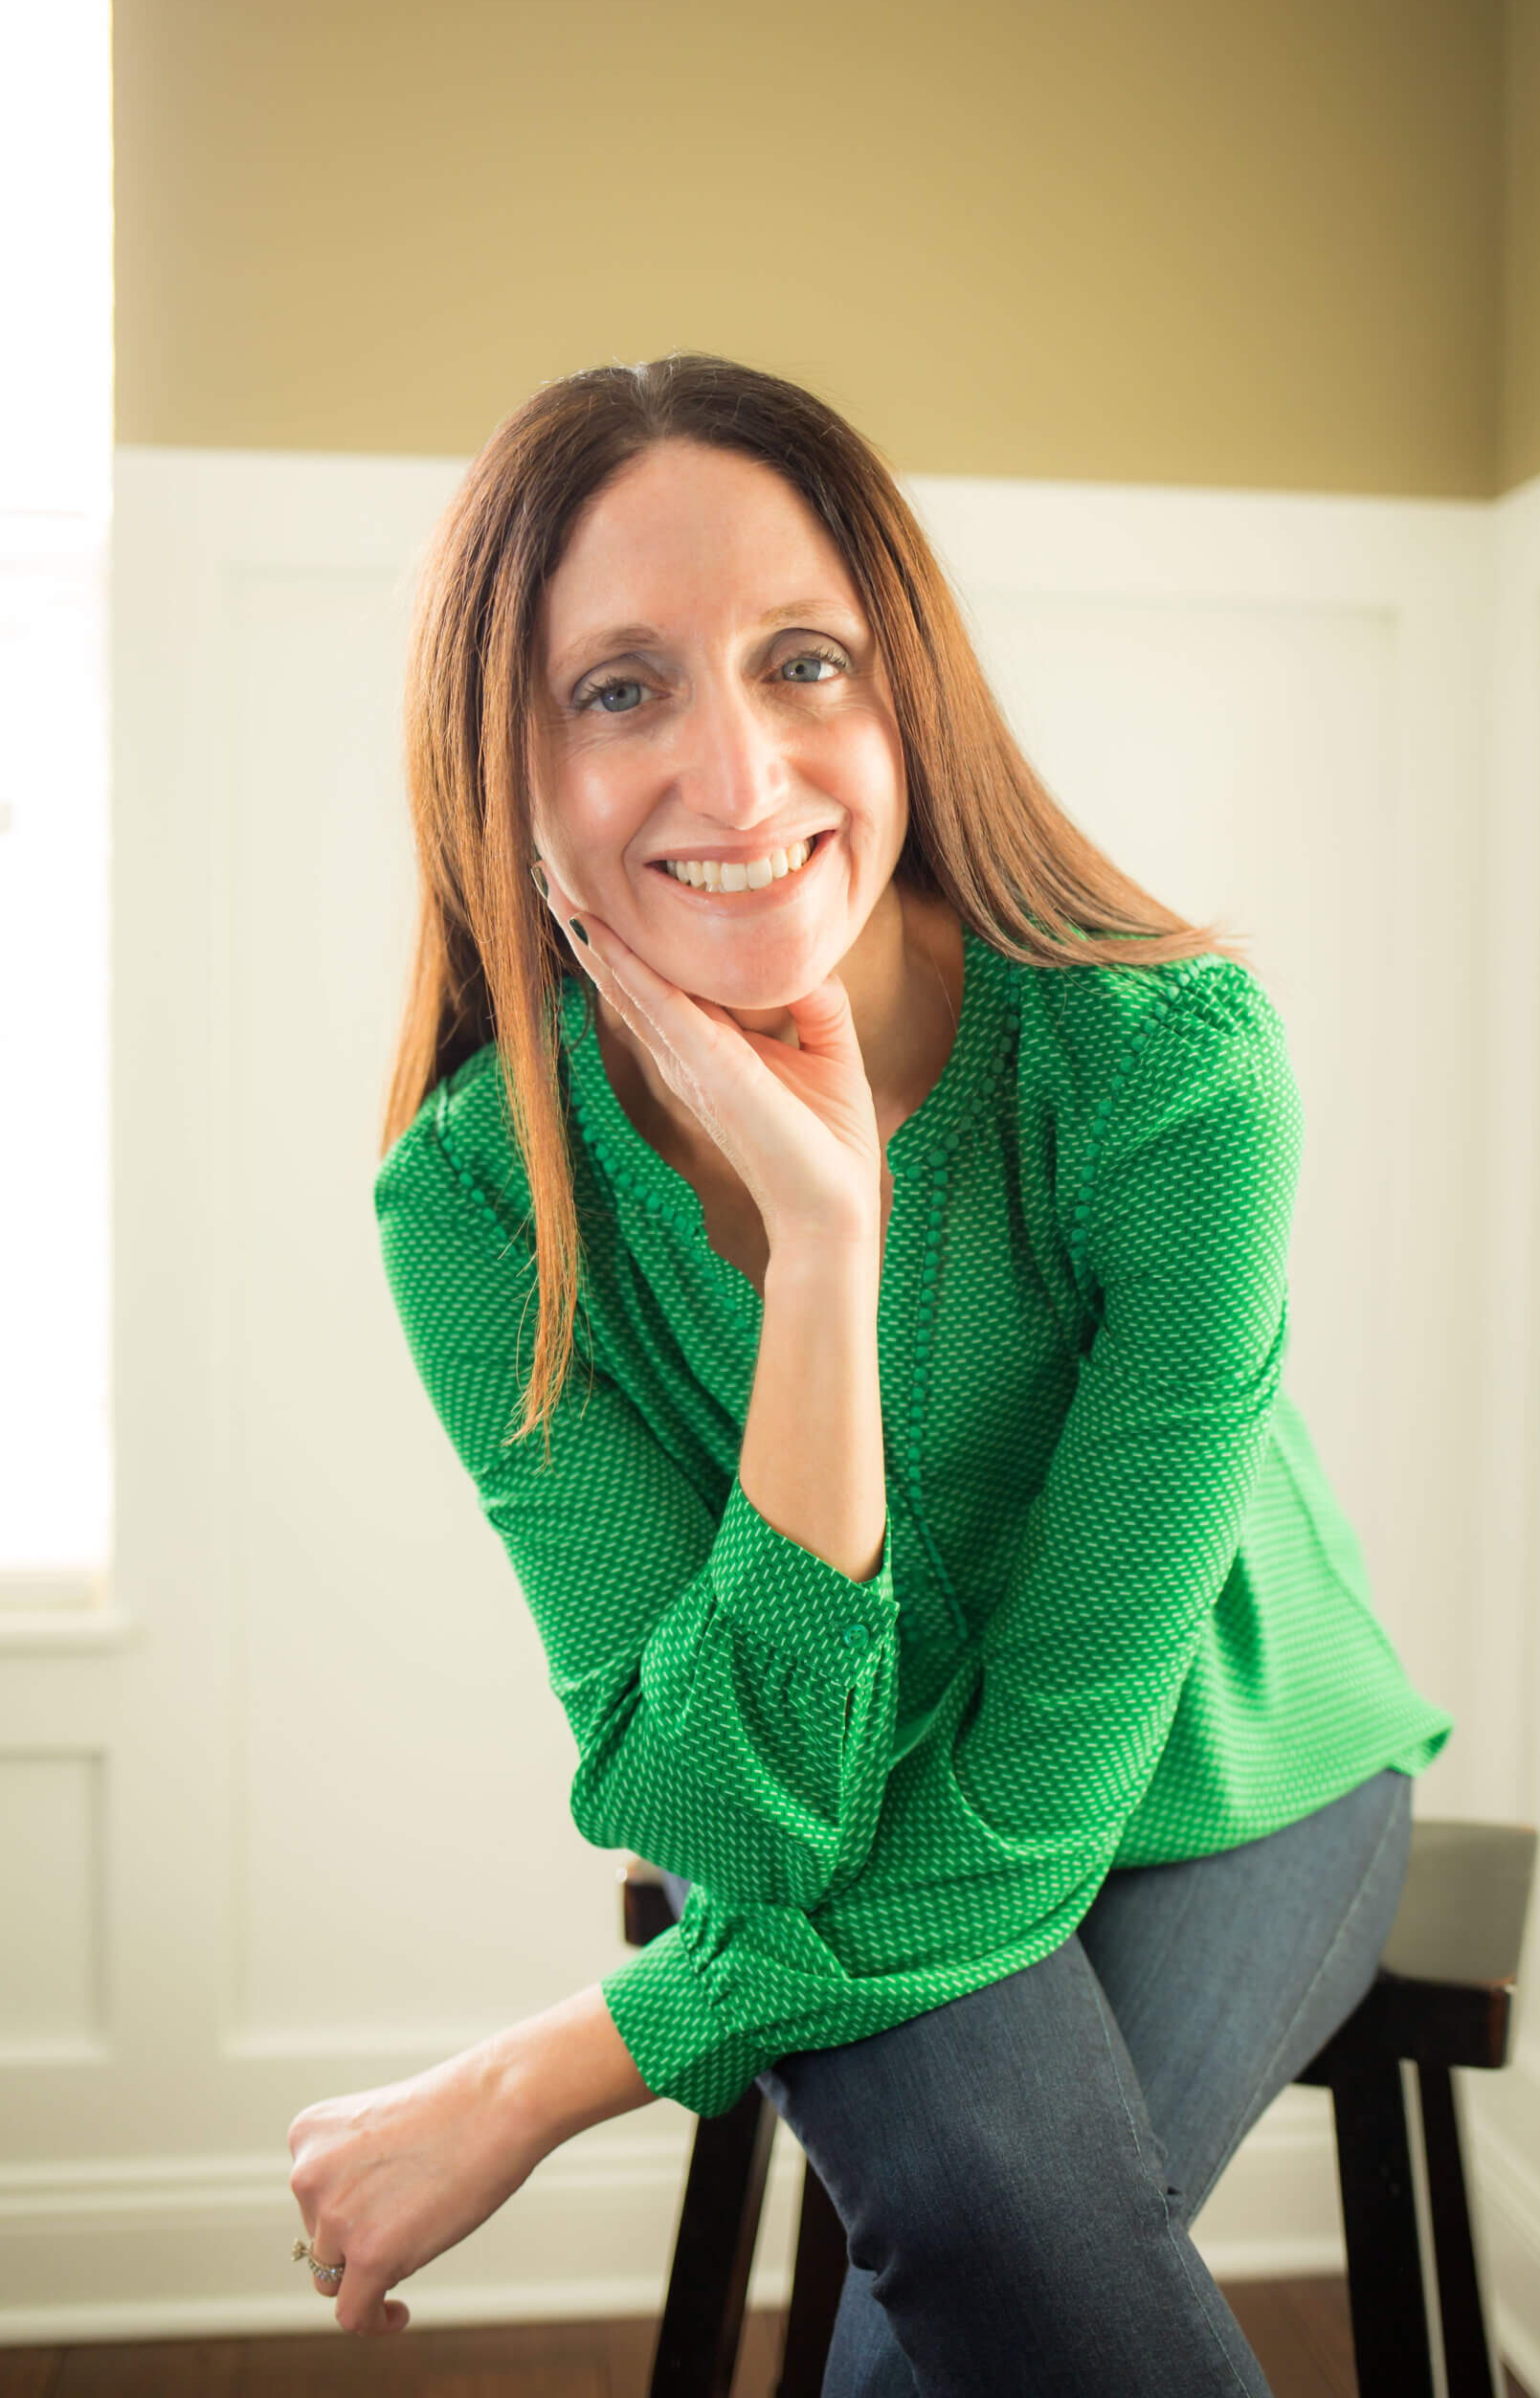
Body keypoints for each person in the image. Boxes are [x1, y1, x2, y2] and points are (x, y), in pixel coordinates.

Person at [286, 353, 1452, 2389]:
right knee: (993, 2212)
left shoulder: (1168, 1067)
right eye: (618, 687)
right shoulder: (474, 1203)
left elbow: (1029, 1790)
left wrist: (571, 2059)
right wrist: (822, 1253)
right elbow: (730, 1813)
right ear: (508, 763)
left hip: (1231, 1773)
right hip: (849, 1810)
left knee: (977, 2233)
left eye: (801, 660)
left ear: (902, 685)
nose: (738, 782)